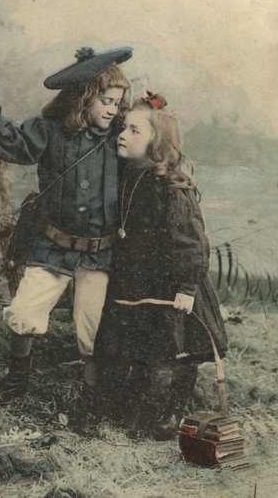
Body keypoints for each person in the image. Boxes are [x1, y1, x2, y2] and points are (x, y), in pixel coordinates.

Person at [0, 46, 132, 422]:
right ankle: (16, 380)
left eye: (117, 103)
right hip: (52, 247)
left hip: (99, 255)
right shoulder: (50, 131)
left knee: (92, 332)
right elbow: (14, 144)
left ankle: (91, 403)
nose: (112, 109)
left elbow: (150, 153)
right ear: (83, 98)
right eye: (105, 101)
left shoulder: (118, 140)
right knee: (24, 312)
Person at [95, 91, 228, 440]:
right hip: (139, 284)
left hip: (172, 287)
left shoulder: (171, 188)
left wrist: (186, 287)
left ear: (158, 144)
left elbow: (191, 243)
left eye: (135, 131)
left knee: (172, 353)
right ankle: (135, 412)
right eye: (123, 128)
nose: (123, 135)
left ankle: (172, 413)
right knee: (139, 350)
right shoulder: (130, 176)